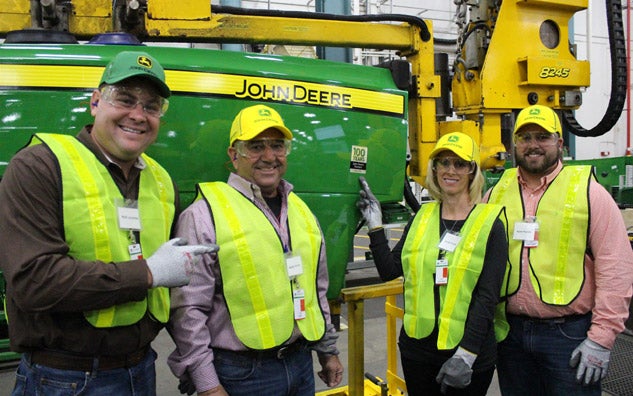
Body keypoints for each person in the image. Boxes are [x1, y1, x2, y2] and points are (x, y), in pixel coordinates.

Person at [0, 50, 217, 395]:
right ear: (96, 101)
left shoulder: (162, 183)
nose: (138, 115)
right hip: (64, 379)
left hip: (142, 368)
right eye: (125, 99)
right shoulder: (40, 167)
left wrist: (202, 371)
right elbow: (33, 281)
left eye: (151, 106)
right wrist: (148, 273)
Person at [166, 104, 343, 396]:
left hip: (300, 364)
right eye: (256, 146)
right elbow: (188, 310)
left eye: (277, 146)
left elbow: (315, 290)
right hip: (242, 374)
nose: (269, 156)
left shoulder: (300, 211)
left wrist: (327, 349)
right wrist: (208, 384)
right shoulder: (203, 215)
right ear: (234, 155)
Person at [486, 104, 633, 395]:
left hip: (569, 336)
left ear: (560, 143)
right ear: (515, 143)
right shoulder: (495, 193)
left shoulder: (589, 192)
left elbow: (615, 267)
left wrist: (601, 338)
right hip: (510, 334)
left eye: (542, 137)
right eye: (525, 137)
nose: (533, 145)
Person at [357, 132, 509, 396]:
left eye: (460, 164)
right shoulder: (422, 217)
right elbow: (389, 271)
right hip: (417, 351)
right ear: (434, 168)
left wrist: (467, 355)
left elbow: (487, 297)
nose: (451, 170)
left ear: (472, 171)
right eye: (443, 162)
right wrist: (375, 225)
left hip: (466, 352)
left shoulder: (490, 224)